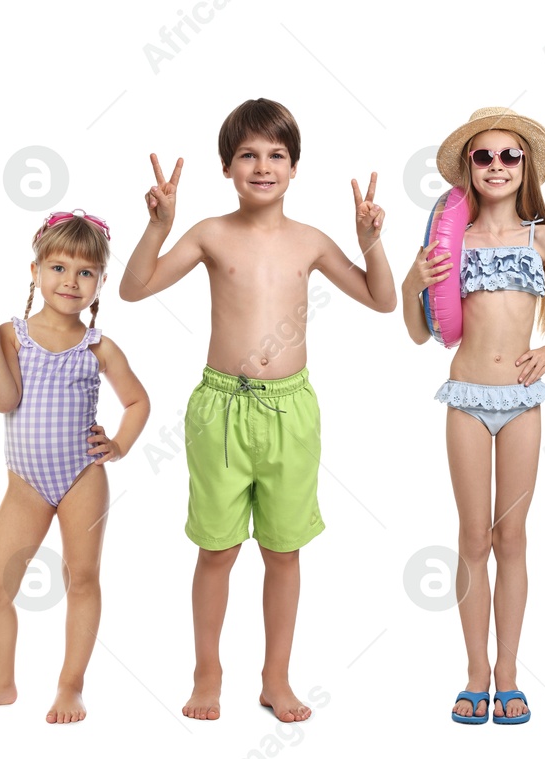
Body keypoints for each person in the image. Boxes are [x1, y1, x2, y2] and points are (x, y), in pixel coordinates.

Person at [120, 98, 397, 723]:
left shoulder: (311, 241)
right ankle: (207, 671)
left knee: (283, 550)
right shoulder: (210, 234)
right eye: (248, 154)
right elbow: (134, 289)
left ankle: (276, 677)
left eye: (276, 155)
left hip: (291, 411)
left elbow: (381, 300)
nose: (262, 165)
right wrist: (160, 228)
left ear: (295, 168)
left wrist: (372, 243)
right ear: (227, 167)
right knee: (216, 549)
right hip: (220, 408)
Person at [399, 107, 545, 725]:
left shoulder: (539, 237)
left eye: (508, 157)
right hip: (466, 397)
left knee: (512, 537)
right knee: (471, 537)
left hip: (521, 403)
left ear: (524, 169)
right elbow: (418, 335)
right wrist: (415, 283)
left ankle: (510, 673)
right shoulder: (447, 242)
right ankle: (474, 674)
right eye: (483, 156)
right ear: (469, 167)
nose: (496, 165)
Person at [0, 210, 150, 724]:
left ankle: (70, 685)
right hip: (26, 485)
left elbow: (138, 401)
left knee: (81, 578)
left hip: (83, 476)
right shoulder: (15, 336)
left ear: (101, 282)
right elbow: (3, 398)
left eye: (85, 272)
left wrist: (120, 445)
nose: (70, 281)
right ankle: (0, 681)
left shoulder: (98, 346)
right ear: (34, 271)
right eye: (58, 268)